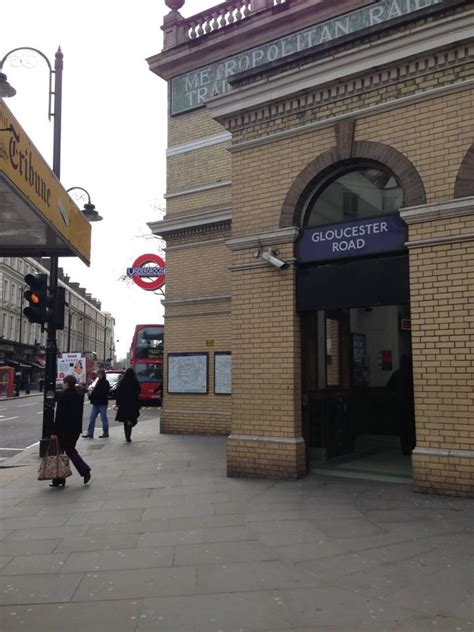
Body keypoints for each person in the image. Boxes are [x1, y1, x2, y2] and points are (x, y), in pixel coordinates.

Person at [50, 374, 91, 487]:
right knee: (67, 451)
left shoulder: (64, 396)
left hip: (64, 430)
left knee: (66, 451)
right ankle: (59, 478)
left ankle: (84, 470)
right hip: (75, 429)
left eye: (64, 382)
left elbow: (59, 416)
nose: (63, 384)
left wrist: (54, 432)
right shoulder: (78, 396)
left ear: (67, 383)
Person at [387, 354, 416, 455]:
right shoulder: (412, 374)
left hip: (400, 406)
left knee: (403, 428)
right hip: (411, 405)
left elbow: (389, 387)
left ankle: (404, 449)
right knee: (412, 428)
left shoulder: (396, 374)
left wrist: (396, 397)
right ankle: (413, 446)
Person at [114, 368, 141, 443]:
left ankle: (127, 436)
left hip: (124, 403)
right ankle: (129, 434)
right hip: (132, 403)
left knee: (126, 420)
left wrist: (118, 403)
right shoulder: (135, 381)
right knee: (132, 418)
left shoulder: (122, 381)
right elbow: (139, 391)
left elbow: (118, 393)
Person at [82, 370, 110, 438]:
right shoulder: (97, 382)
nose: (97, 375)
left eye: (98, 374)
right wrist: (90, 394)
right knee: (92, 418)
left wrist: (93, 394)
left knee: (103, 418)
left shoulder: (105, 382)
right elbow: (94, 390)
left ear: (102, 374)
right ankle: (90, 433)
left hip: (102, 403)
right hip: (96, 403)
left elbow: (103, 393)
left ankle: (105, 433)